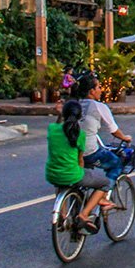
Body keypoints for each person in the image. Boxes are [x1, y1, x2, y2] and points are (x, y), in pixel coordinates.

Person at [46, 100, 114, 235]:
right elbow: (80, 160)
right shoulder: (79, 135)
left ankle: (62, 215)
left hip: (51, 174)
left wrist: (60, 115)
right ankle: (84, 214)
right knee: (105, 183)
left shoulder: (52, 129)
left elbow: (58, 124)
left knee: (61, 182)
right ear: (79, 117)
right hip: (73, 174)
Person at [76, 74, 132, 187]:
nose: (101, 90)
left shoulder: (74, 104)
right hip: (88, 151)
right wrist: (125, 138)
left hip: (72, 151)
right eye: (99, 87)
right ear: (92, 91)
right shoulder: (98, 106)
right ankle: (103, 194)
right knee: (116, 164)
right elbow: (114, 130)